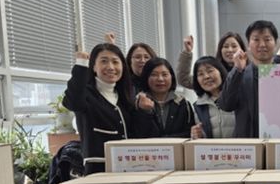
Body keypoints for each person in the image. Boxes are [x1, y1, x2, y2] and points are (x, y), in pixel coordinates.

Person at [63, 43, 135, 175]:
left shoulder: (124, 96)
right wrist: (81, 65)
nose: (111, 67)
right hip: (98, 167)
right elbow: (73, 102)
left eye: (115, 62)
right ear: (94, 67)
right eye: (104, 61)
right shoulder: (86, 94)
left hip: (128, 165)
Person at [218, 20, 278, 138]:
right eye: (256, 39)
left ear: (275, 43)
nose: (262, 44)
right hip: (247, 143)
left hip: (278, 141)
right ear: (248, 45)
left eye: (267, 39)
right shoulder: (240, 74)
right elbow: (226, 105)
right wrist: (237, 70)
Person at [136, 57, 194, 138]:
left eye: (165, 74)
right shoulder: (137, 103)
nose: (160, 79)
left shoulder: (183, 103)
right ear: (146, 77)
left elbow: (189, 134)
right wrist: (145, 112)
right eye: (154, 75)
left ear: (172, 77)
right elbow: (138, 134)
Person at [189, 57, 235, 139]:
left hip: (240, 146)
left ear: (220, 71)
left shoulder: (236, 97)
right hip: (212, 147)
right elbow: (202, 137)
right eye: (200, 74)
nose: (206, 77)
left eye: (210, 71)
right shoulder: (198, 106)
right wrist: (197, 135)